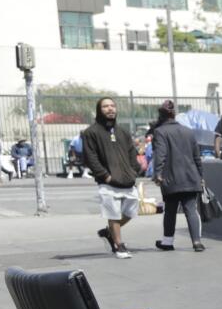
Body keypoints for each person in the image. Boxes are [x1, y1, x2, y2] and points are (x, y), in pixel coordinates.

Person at [80, 97, 140, 259]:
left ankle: (109, 233)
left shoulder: (123, 132)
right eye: (106, 106)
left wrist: (135, 171)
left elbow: (132, 153)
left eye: (112, 106)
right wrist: (104, 176)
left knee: (132, 210)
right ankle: (119, 245)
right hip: (107, 182)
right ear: (99, 110)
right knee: (113, 213)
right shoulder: (91, 132)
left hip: (127, 180)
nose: (110, 109)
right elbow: (90, 157)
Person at [147, 100, 206, 253]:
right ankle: (197, 241)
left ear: (161, 115)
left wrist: (158, 173)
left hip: (170, 178)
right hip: (190, 177)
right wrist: (200, 176)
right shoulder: (188, 131)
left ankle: (167, 242)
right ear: (174, 114)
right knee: (191, 210)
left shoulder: (160, 132)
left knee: (170, 210)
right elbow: (197, 157)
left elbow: (161, 154)